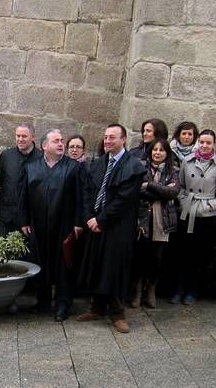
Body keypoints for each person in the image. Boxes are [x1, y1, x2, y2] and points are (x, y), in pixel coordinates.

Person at [76, 124, 145, 333]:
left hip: (118, 226)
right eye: (105, 137)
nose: (107, 141)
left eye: (112, 138)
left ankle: (117, 313)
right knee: (96, 265)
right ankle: (97, 307)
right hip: (95, 224)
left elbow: (124, 199)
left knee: (113, 268)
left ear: (123, 140)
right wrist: (89, 217)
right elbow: (87, 192)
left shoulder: (133, 166)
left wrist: (102, 219)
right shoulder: (98, 164)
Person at [17, 129, 83, 321]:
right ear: (44, 146)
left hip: (64, 224)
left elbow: (81, 196)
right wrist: (23, 220)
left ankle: (63, 303)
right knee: (40, 261)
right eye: (56, 141)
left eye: (62, 140)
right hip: (38, 225)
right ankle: (43, 300)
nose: (61, 144)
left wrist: (79, 222)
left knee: (63, 265)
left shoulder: (73, 167)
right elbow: (22, 196)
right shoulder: (31, 167)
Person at [172, 130, 216, 305]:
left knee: (200, 255)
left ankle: (192, 290)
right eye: (202, 142)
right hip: (187, 212)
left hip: (206, 215)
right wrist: (183, 201)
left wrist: (209, 205)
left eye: (208, 143)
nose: (205, 146)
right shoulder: (187, 162)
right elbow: (180, 186)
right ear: (198, 143)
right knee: (182, 253)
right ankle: (179, 289)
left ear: (214, 145)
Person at [132, 138, 179, 309]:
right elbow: (137, 190)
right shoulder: (141, 167)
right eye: (155, 149)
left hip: (162, 221)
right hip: (143, 219)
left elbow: (173, 192)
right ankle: (137, 291)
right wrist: (161, 190)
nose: (157, 153)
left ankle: (150, 289)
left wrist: (150, 185)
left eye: (161, 150)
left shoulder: (172, 170)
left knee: (156, 259)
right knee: (139, 257)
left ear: (167, 153)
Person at [0, 124, 41, 236]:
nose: (20, 139)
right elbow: (1, 179)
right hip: (5, 216)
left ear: (33, 137)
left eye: (24, 136)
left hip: (28, 220)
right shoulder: (6, 155)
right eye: (18, 136)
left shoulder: (41, 158)